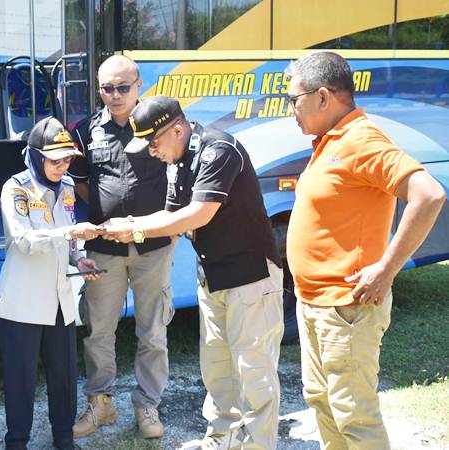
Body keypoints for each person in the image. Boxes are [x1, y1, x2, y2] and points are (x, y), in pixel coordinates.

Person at [102, 96, 285, 449]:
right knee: (216, 369)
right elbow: (170, 217)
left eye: (153, 143)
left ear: (177, 129)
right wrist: (127, 223)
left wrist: (136, 230)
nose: (151, 153)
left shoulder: (219, 150)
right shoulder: (179, 159)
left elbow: (199, 214)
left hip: (250, 277)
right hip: (213, 276)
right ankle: (221, 439)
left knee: (254, 373)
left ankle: (259, 444)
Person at [285, 51, 445, 450]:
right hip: (316, 304)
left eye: (295, 99)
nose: (292, 110)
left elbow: (429, 195)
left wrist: (386, 269)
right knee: (322, 403)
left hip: (346, 309)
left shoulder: (360, 139)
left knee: (354, 416)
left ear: (324, 97)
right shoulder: (328, 140)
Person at [68, 55, 175, 439]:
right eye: (106, 88)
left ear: (139, 85)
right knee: (98, 330)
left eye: (122, 87)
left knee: (152, 331)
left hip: (154, 246)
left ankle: (147, 405)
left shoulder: (157, 126)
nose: (114, 96)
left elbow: (178, 176)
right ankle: (102, 404)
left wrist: (165, 226)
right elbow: (81, 184)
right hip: (104, 250)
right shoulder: (84, 131)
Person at [0, 117, 102, 450]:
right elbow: (23, 239)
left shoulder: (68, 187)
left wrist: (78, 258)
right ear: (35, 156)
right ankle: (17, 441)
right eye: (54, 160)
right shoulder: (17, 188)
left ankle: (63, 437)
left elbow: (65, 242)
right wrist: (69, 232)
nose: (62, 166)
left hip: (59, 299)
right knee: (20, 380)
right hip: (22, 301)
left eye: (67, 159)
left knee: (64, 377)